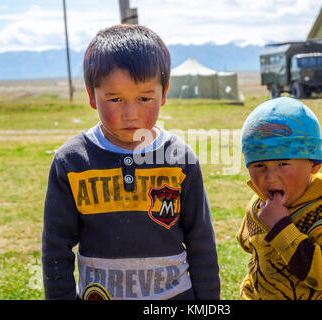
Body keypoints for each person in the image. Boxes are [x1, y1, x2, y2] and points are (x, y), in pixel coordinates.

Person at [42, 24, 220, 300]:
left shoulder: (181, 160)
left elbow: (202, 243)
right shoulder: (71, 162)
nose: (131, 114)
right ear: (92, 96)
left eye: (144, 98)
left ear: (164, 92)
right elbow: (56, 248)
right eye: (115, 99)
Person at [237, 97, 322, 300]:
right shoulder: (257, 206)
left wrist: (281, 227)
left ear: (314, 164)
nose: (270, 176)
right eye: (258, 165)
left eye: (283, 163)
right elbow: (249, 245)